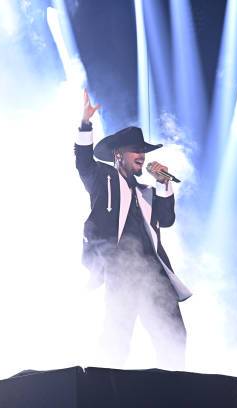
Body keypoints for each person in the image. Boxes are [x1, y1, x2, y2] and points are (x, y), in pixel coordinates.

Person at [74, 89, 191, 370]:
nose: (141, 155)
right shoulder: (104, 178)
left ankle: (173, 392)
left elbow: (167, 218)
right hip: (121, 269)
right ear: (119, 155)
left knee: (174, 336)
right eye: (136, 151)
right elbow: (83, 162)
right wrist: (85, 124)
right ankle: (105, 393)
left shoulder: (147, 192)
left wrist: (164, 182)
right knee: (117, 337)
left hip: (152, 273)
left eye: (143, 151)